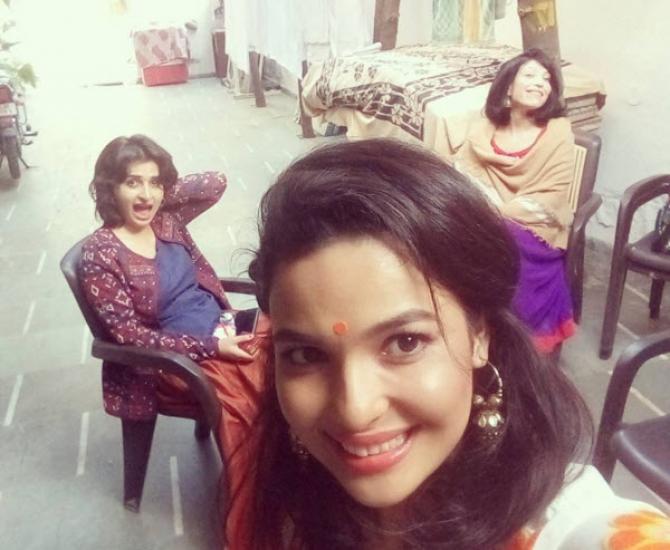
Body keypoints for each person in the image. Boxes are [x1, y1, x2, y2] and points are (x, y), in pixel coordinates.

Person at [230, 138, 667, 549]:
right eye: (306, 355)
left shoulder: (570, 528)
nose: (355, 410)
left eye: (405, 343)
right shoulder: (289, 498)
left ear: (480, 334)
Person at [78, 134, 269, 542]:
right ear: (109, 187)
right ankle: (261, 517)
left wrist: (160, 186)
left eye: (155, 182)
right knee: (253, 398)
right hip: (173, 362)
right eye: (132, 182)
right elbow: (131, 337)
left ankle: (304, 477)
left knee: (294, 359)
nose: (146, 195)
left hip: (222, 324)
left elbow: (215, 182)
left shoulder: (167, 220)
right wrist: (212, 347)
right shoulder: (101, 254)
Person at [451, 48, 576, 353]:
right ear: (508, 87)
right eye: (530, 75)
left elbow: (552, 195)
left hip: (535, 228)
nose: (540, 84)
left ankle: (514, 340)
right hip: (485, 220)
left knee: (504, 238)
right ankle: (465, 329)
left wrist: (498, 214)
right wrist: (486, 213)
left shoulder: (558, 133)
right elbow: (464, 176)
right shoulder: (483, 131)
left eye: (546, 79)